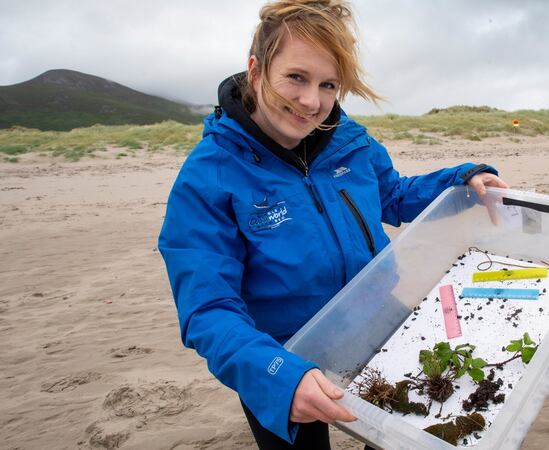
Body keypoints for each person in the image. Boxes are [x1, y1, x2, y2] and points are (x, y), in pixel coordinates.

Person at [158, 0, 509, 448]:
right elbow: (207, 310)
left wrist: (461, 178)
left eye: (329, 85)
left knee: (404, 433)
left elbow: (393, 195)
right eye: (296, 78)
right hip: (280, 353)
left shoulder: (350, 143)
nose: (312, 102)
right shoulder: (209, 175)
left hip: (376, 324)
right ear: (256, 70)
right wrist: (278, 375)